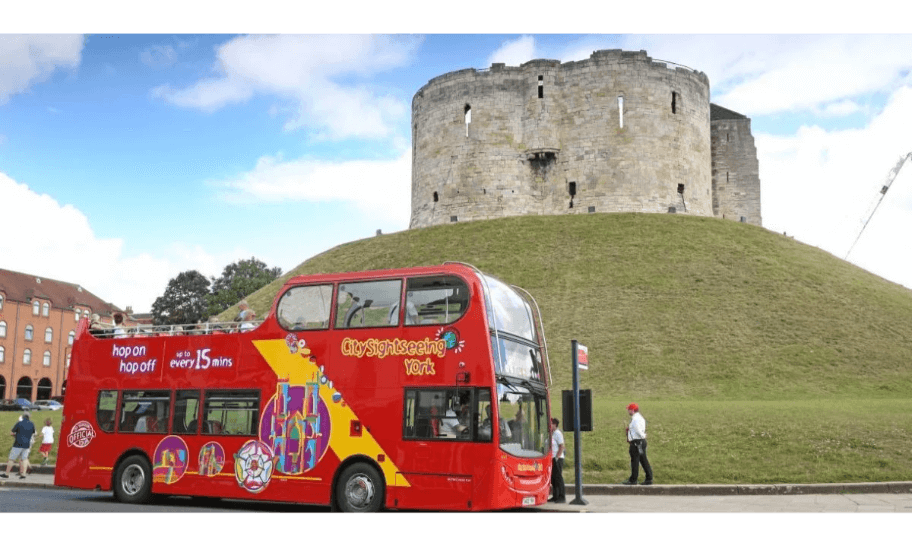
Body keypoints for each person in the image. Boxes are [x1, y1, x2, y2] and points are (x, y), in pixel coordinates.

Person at [622, 403, 653, 485]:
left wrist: (642, 436)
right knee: (643, 460)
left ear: (632, 410)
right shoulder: (639, 418)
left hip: (637, 443)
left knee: (635, 461)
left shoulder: (635, 419)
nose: (628, 411)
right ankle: (649, 478)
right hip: (639, 442)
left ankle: (633, 480)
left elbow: (638, 430)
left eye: (629, 410)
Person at [2, 411, 36, 479]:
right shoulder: (32, 424)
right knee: (24, 459)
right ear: (29, 417)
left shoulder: (19, 423)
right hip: (27, 444)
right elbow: (33, 432)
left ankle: (7, 474)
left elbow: (12, 432)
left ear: (23, 417)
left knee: (11, 459)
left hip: (18, 443)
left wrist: (16, 435)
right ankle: (23, 474)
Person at [550, 418, 566, 502]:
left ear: (555, 424)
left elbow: (561, 446)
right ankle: (555, 496)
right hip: (552, 458)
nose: (549, 425)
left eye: (551, 423)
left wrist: (557, 456)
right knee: (553, 478)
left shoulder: (557, 433)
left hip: (557, 459)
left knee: (558, 477)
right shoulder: (552, 433)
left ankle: (562, 497)